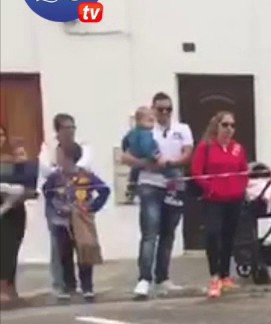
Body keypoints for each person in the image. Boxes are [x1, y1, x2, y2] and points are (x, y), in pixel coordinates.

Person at [124, 92, 193, 300]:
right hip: (150, 184)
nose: (164, 113)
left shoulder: (182, 129)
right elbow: (126, 156)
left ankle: (162, 277)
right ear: (153, 109)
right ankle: (144, 279)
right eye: (160, 109)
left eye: (168, 109)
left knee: (168, 233)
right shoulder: (145, 128)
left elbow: (188, 153)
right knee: (149, 232)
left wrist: (172, 164)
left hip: (173, 184)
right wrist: (147, 164)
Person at [191, 111, 250, 299]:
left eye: (232, 125)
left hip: (234, 199)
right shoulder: (205, 147)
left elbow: (243, 171)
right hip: (213, 200)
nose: (229, 129)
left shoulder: (238, 148)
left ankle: (225, 275)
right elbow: (196, 172)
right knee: (213, 235)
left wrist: (240, 189)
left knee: (228, 237)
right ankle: (214, 275)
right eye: (225, 125)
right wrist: (209, 188)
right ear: (216, 126)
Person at [42, 144, 110, 301]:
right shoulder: (55, 177)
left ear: (69, 158)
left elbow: (104, 190)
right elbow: (47, 192)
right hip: (62, 222)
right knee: (64, 253)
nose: (57, 158)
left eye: (60, 155)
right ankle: (67, 286)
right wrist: (57, 208)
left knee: (84, 251)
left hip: (80, 220)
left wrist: (92, 207)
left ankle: (87, 286)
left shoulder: (85, 176)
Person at [0, 125, 36, 305]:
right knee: (3, 250)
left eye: (1, 135)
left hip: (15, 212)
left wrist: (22, 162)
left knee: (12, 248)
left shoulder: (12, 160)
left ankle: (10, 288)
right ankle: (2, 288)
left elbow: (27, 182)